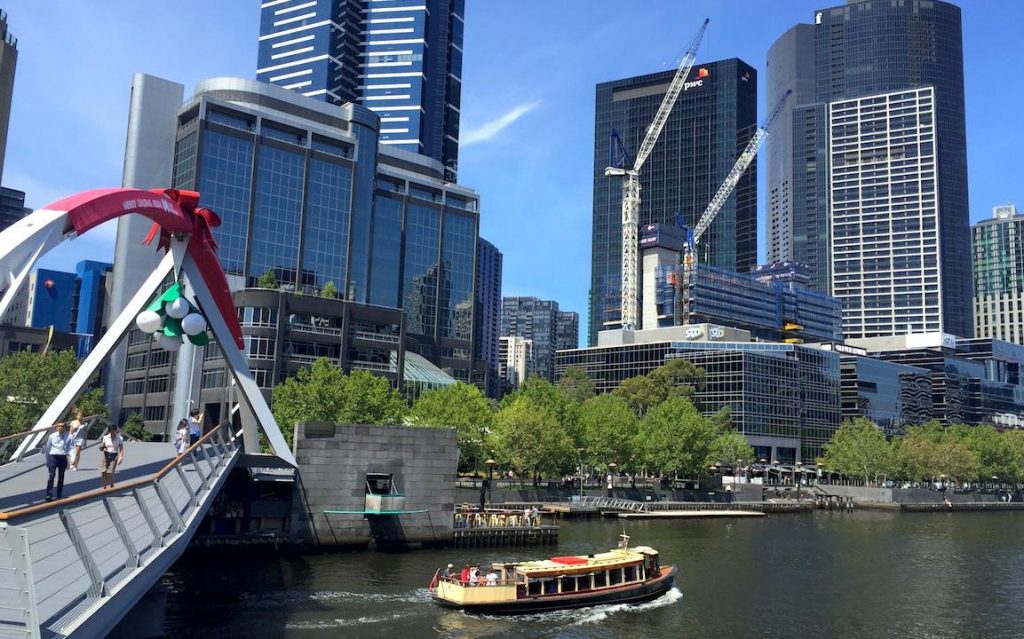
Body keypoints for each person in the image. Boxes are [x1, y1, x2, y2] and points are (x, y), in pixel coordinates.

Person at [44, 421, 73, 501]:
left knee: (61, 476)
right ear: (56, 428)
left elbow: (71, 448)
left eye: (62, 426)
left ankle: (59, 493)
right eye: (58, 426)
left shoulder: (69, 436)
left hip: (62, 457)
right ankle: (49, 494)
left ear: (64, 427)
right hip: (53, 457)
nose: (60, 427)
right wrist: (47, 460)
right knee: (51, 475)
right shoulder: (52, 436)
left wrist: (71, 459)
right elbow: (48, 448)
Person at [99, 424, 125, 490]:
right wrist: (102, 448)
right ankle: (105, 487)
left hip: (114, 455)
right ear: (109, 431)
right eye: (111, 432)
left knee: (110, 472)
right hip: (106, 454)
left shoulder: (120, 438)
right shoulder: (105, 437)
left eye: (114, 431)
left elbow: (121, 449)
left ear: (116, 431)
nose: (112, 433)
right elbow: (103, 446)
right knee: (103, 471)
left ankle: (111, 483)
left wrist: (120, 457)